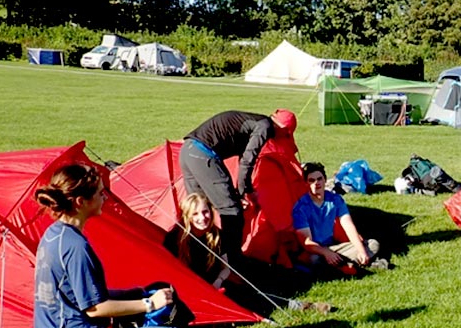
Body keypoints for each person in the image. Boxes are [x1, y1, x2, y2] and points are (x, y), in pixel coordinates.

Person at [32, 163, 178, 328]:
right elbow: (95, 308)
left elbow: (82, 295)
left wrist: (134, 293)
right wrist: (149, 304)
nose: (104, 197)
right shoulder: (76, 247)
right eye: (100, 193)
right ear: (80, 202)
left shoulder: (54, 234)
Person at [165, 193, 332, 314]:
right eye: (195, 214)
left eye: (205, 211)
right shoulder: (175, 239)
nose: (202, 217)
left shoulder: (216, 235)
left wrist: (218, 282)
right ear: (187, 216)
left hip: (216, 286)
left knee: (253, 296)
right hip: (190, 292)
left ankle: (302, 305)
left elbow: (225, 267)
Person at [179, 109, 297, 268]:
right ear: (284, 129)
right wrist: (240, 196)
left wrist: (246, 191)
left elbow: (244, 159)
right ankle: (232, 262)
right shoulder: (265, 127)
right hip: (203, 154)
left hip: (187, 150)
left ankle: (196, 258)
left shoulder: (255, 121)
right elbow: (247, 162)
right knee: (232, 211)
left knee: (198, 209)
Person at [293, 162, 387, 275]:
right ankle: (353, 266)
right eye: (311, 180)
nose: (316, 183)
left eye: (319, 179)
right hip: (314, 251)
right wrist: (326, 252)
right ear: (306, 183)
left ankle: (345, 265)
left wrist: (361, 251)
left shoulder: (335, 199)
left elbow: (348, 225)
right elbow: (306, 242)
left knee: (372, 244)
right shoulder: (300, 208)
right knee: (315, 260)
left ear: (325, 180)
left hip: (333, 247)